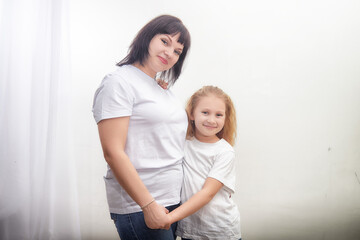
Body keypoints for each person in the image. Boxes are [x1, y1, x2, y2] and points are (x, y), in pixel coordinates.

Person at [92, 15, 191, 240]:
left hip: (172, 201)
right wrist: (148, 204)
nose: (169, 52)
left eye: (177, 51)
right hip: (142, 205)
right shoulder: (119, 82)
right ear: (147, 38)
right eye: (165, 41)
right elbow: (113, 152)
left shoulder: (160, 88)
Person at [167, 86, 242, 239]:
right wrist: (160, 89)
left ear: (225, 118)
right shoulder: (184, 143)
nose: (211, 120)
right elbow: (163, 121)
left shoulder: (224, 151)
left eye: (219, 115)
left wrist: (170, 218)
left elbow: (207, 193)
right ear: (192, 114)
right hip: (190, 230)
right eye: (205, 112)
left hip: (220, 230)